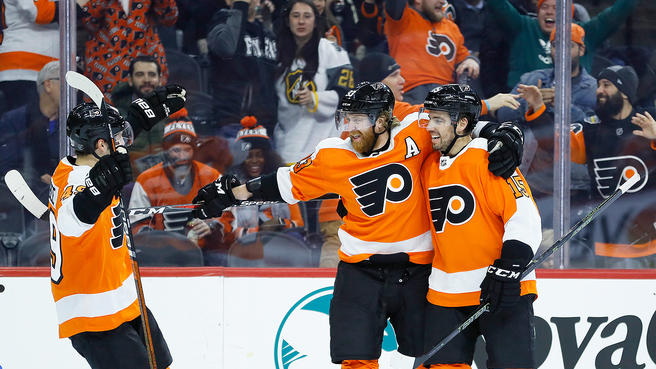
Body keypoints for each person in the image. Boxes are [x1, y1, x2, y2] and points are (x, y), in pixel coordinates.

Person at [191, 82, 524, 368]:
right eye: (345, 118)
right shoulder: (331, 155)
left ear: (381, 121)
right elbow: (281, 183)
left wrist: (501, 131)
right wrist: (229, 194)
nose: (348, 127)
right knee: (356, 359)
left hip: (419, 271)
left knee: (432, 357)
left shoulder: (416, 130)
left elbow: (455, 122)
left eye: (357, 119)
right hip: (359, 272)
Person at [48, 98, 184, 369]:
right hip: (95, 312)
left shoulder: (82, 163)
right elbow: (70, 220)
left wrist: (140, 118)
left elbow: (107, 148)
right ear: (100, 145)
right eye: (118, 138)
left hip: (123, 296)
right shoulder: (74, 182)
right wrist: (99, 192)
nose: (124, 143)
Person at [417, 84, 541, 369]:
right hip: (445, 293)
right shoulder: (428, 165)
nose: (430, 127)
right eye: (429, 118)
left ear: (461, 124)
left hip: (499, 286)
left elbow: (523, 215)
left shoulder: (491, 156)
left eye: (438, 119)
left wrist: (511, 265)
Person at [519, 65, 656, 267]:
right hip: (606, 242)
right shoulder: (591, 131)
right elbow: (555, 144)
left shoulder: (648, 123)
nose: (599, 90)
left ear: (625, 93)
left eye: (606, 85)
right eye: (599, 85)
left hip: (649, 243)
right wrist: (538, 108)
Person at [496, 24, 597, 213]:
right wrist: (532, 103)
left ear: (581, 49)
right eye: (556, 45)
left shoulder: (594, 88)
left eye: (569, 45)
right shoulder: (532, 79)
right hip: (531, 177)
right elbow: (503, 114)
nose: (561, 51)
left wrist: (565, 106)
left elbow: (596, 128)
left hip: (573, 183)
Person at [487, 0, 638, 90]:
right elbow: (499, 5)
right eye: (544, 7)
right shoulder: (522, 27)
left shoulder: (585, 33)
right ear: (538, 12)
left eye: (557, 8)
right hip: (523, 105)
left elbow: (617, 13)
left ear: (569, 15)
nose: (550, 12)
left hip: (574, 108)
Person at [273, 0, 354, 163]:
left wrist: (315, 98)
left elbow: (347, 95)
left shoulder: (331, 50)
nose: (301, 21)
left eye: (307, 16)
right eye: (295, 16)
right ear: (288, 21)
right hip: (287, 145)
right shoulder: (276, 52)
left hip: (323, 144)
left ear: (316, 21)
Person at [128, 113, 223, 248]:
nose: (182, 156)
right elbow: (136, 225)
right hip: (161, 254)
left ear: (194, 150)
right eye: (176, 150)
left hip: (205, 251)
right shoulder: (146, 180)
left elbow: (228, 215)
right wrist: (156, 240)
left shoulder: (212, 176)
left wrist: (212, 226)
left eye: (187, 150)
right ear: (166, 151)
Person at [76, 0, 178, 99]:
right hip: (106, 67)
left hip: (146, 61)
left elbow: (170, 18)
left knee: (151, 110)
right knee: (104, 112)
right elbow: (88, 22)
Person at [383, 0, 479, 105]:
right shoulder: (403, 18)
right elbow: (394, 5)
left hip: (446, 94)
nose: (442, 2)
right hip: (411, 92)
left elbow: (463, 56)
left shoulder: (452, 27)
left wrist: (471, 60)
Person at [206, 0, 278, 134]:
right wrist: (240, 7)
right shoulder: (221, 20)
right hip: (233, 123)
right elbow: (226, 49)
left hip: (265, 125)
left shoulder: (264, 30)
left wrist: (267, 21)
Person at [0, 61, 61, 198]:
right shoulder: (14, 120)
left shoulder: (72, 123)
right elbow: (5, 165)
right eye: (65, 82)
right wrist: (37, 178)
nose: (72, 89)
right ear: (48, 85)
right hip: (24, 200)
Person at [111, 56, 168, 174]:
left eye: (152, 74)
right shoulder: (116, 117)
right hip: (130, 182)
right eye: (140, 74)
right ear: (130, 80)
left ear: (160, 79)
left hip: (166, 180)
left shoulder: (173, 110)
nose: (146, 79)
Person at [0, 0, 58, 115]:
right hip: (23, 70)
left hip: (47, 72)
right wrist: (79, 5)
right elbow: (39, 12)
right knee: (27, 127)